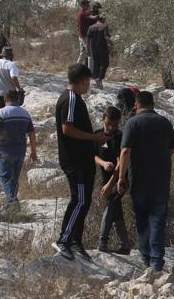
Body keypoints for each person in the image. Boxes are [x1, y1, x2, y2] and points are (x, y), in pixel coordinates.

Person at [117, 91, 174, 272]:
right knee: (158, 221)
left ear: (136, 105)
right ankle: (157, 262)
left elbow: (126, 151)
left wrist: (121, 177)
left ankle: (145, 259)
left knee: (142, 220)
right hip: (160, 180)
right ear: (153, 104)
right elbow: (173, 148)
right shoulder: (164, 122)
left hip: (139, 180)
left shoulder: (132, 123)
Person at [54, 64, 109, 261]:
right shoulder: (69, 99)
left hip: (83, 161)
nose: (89, 85)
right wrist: (94, 138)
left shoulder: (76, 100)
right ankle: (64, 240)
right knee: (80, 200)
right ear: (83, 80)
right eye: (88, 81)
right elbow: (67, 129)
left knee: (84, 202)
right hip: (74, 161)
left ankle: (76, 241)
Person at [95, 106, 131, 254]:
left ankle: (102, 241)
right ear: (103, 119)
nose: (111, 127)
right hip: (105, 179)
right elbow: (93, 155)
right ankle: (125, 245)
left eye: (115, 125)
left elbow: (120, 162)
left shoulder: (120, 137)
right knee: (116, 209)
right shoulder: (96, 135)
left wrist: (111, 184)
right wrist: (103, 163)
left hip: (120, 180)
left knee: (111, 202)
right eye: (109, 124)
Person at [0, 89, 37, 208]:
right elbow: (32, 134)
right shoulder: (25, 113)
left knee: (5, 177)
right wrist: (33, 152)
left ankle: (12, 202)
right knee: (14, 178)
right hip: (21, 151)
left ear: (5, 99)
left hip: (5, 149)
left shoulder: (1, 113)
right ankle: (13, 203)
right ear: (17, 99)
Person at [86, 16, 112, 90]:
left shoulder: (91, 27)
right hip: (103, 48)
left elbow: (88, 39)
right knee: (105, 63)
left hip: (94, 48)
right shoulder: (104, 26)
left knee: (96, 64)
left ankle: (96, 82)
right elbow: (106, 37)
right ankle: (99, 79)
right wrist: (111, 43)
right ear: (103, 19)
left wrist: (88, 49)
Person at [75, 0, 97, 66]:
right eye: (87, 5)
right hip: (85, 37)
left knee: (82, 54)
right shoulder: (82, 14)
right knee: (90, 53)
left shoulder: (79, 13)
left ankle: (75, 70)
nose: (88, 6)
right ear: (83, 5)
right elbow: (92, 18)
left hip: (81, 36)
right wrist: (97, 16)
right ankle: (90, 71)